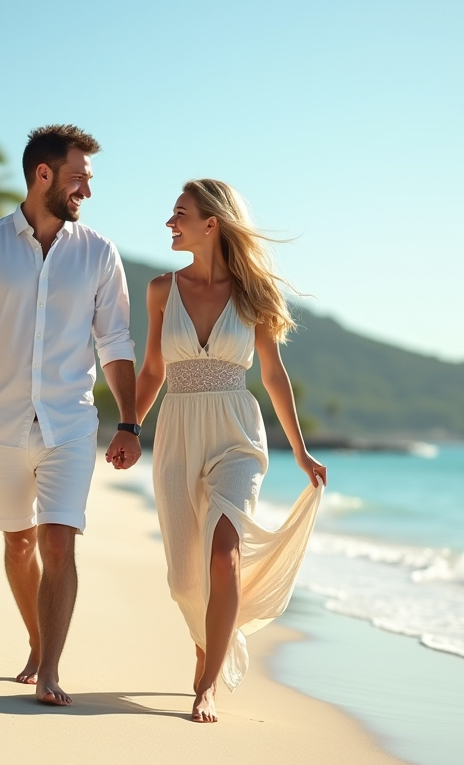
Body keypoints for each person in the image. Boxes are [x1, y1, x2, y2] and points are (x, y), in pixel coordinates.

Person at [0, 125, 142, 707]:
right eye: (78, 179)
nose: (87, 192)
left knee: (58, 542)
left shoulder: (99, 253)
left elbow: (115, 342)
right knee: (18, 542)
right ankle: (35, 638)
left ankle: (49, 666)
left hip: (70, 426)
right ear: (42, 175)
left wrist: (128, 422)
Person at [134, 179, 326, 723]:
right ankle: (206, 642)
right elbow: (151, 370)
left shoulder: (254, 295)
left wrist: (302, 452)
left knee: (224, 554)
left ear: (211, 223)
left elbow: (273, 375)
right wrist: (129, 427)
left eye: (179, 214)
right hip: (176, 434)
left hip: (237, 436)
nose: (170, 224)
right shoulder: (159, 290)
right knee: (183, 579)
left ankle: (208, 686)